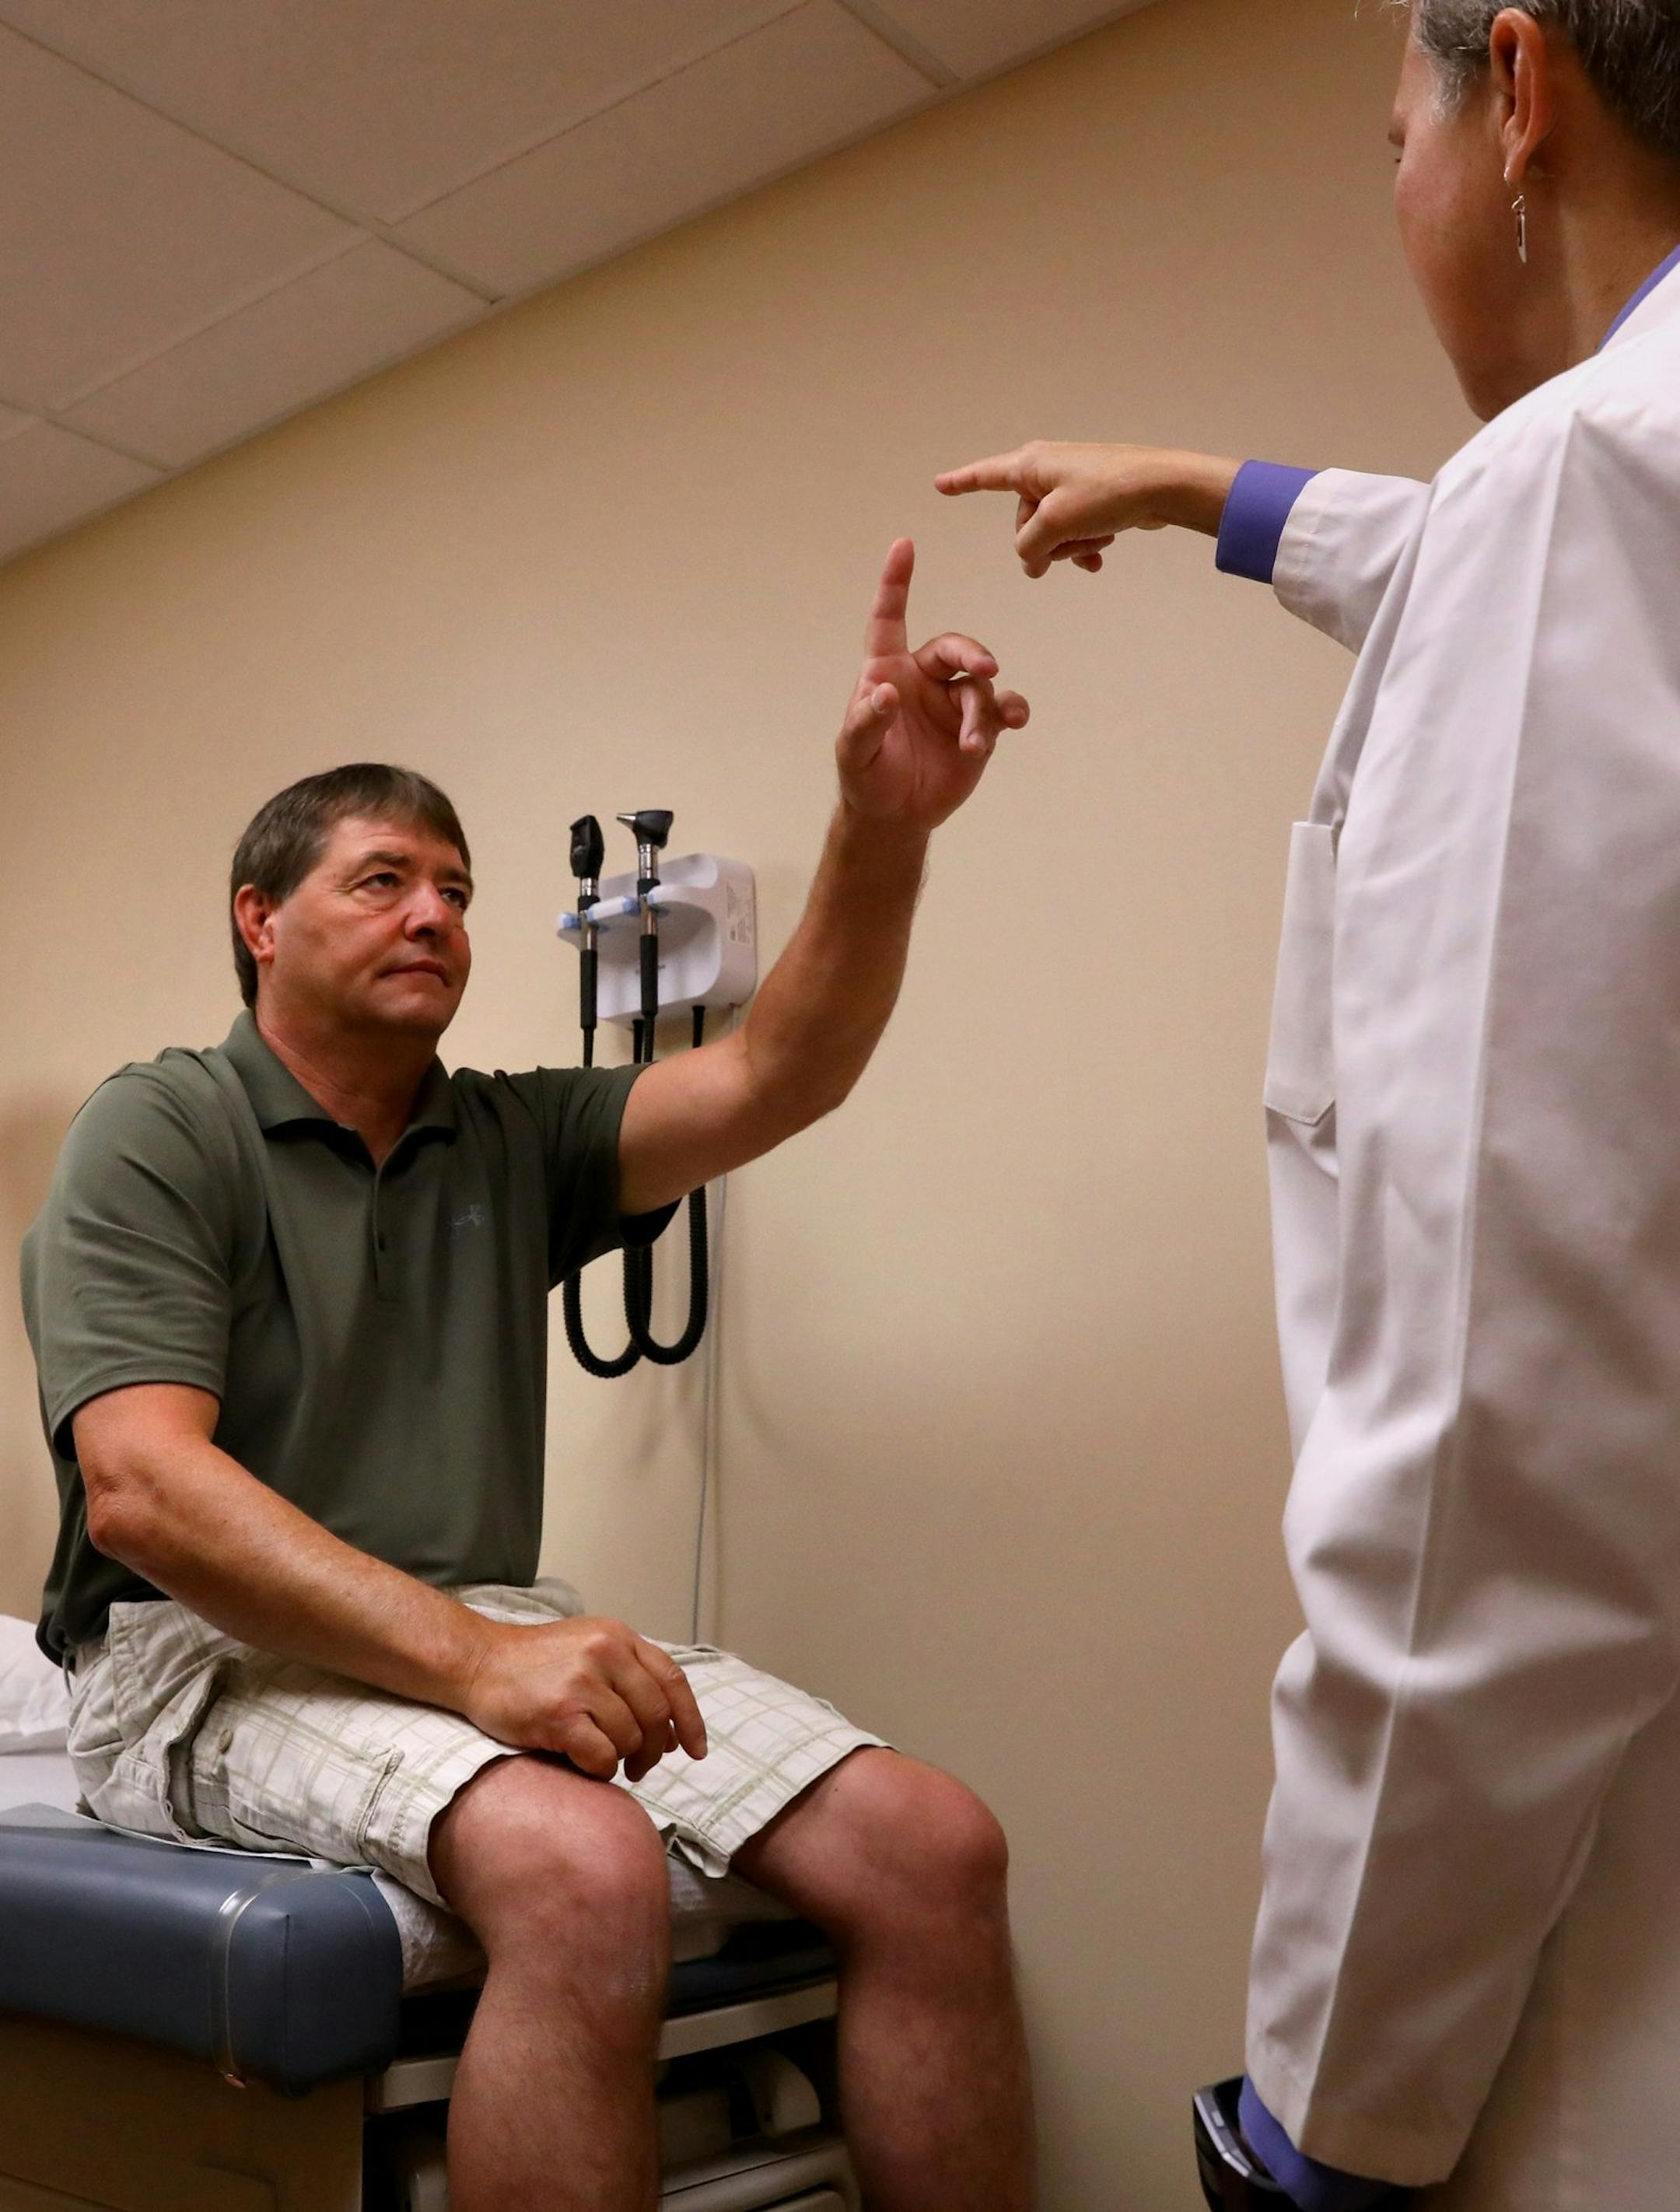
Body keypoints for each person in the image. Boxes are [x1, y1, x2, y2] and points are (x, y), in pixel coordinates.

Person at [22, 541, 1035, 2212]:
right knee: (583, 1863)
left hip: (466, 1611)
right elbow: (142, 1490)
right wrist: (482, 1664)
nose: (437, 913)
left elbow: (784, 1071)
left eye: (459, 888)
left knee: (934, 1847)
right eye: (384, 879)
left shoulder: (509, 1132)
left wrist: (883, 829)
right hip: (190, 1663)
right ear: (258, 920)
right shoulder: (165, 1128)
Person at [939, 4, 1680, 2207]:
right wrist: (1216, 495)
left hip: (1597, 1939)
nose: (1401, 198)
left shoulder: (1571, 479)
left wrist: (1326, 2116)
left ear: (1518, 91)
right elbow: (1536, 562)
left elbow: (1495, 1421)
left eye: (1395, 137)